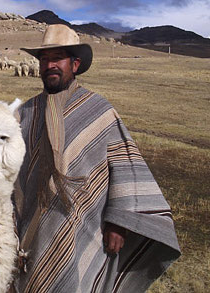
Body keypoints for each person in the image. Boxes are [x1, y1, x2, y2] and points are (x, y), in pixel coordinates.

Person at [12, 24, 180, 293]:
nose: (49, 66)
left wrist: (118, 222)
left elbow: (126, 168)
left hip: (80, 227)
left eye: (57, 59)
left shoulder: (98, 111)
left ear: (75, 64)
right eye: (44, 60)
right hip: (28, 225)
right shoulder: (25, 113)